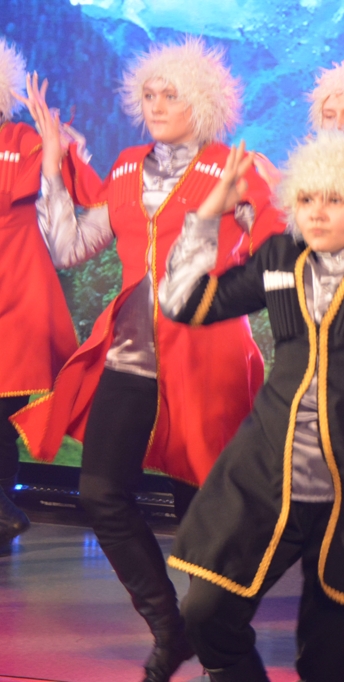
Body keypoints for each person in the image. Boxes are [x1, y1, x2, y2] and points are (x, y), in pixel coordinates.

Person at [11, 38, 282, 681]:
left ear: (204, 102)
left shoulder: (233, 167)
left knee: (201, 518)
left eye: (171, 95)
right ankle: (169, 626)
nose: (156, 105)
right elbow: (70, 246)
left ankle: (223, 652)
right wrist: (52, 165)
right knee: (101, 492)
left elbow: (277, 254)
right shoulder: (129, 166)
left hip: (210, 360)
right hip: (129, 355)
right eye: (149, 94)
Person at [161, 131, 344, 682]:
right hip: (268, 476)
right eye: (305, 199)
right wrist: (207, 214)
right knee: (205, 610)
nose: (316, 212)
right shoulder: (280, 256)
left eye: (334, 199)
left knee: (333, 662)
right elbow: (184, 302)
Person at [0, 37, 80, 556]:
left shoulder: (19, 138)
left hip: (18, 300)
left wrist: (57, 146)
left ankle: (4, 509)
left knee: (2, 415)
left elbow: (53, 182)